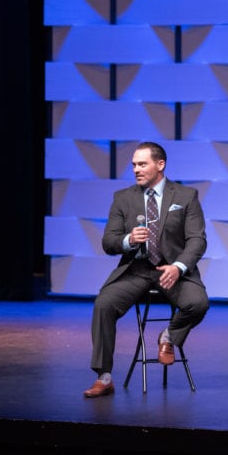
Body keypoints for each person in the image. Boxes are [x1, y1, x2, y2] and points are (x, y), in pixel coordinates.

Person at [83, 142, 210, 398]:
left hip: (171, 269)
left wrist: (178, 267)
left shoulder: (186, 196)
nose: (136, 170)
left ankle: (168, 336)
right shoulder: (123, 198)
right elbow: (108, 242)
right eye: (134, 165)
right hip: (137, 269)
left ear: (160, 165)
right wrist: (128, 240)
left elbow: (197, 240)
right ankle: (104, 377)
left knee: (198, 304)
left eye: (142, 164)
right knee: (103, 305)